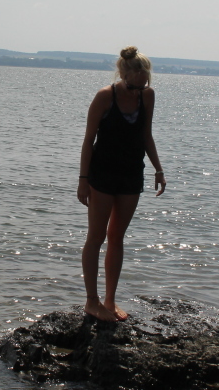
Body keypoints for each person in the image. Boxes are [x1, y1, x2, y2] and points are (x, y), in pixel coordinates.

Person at [76, 46, 166, 322]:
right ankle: (91, 301)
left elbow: (146, 135)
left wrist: (158, 169)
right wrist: (83, 180)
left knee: (117, 238)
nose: (145, 78)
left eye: (147, 72)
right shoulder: (106, 96)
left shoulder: (147, 96)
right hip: (101, 175)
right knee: (97, 236)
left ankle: (110, 300)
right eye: (140, 73)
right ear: (126, 72)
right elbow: (88, 140)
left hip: (131, 174)